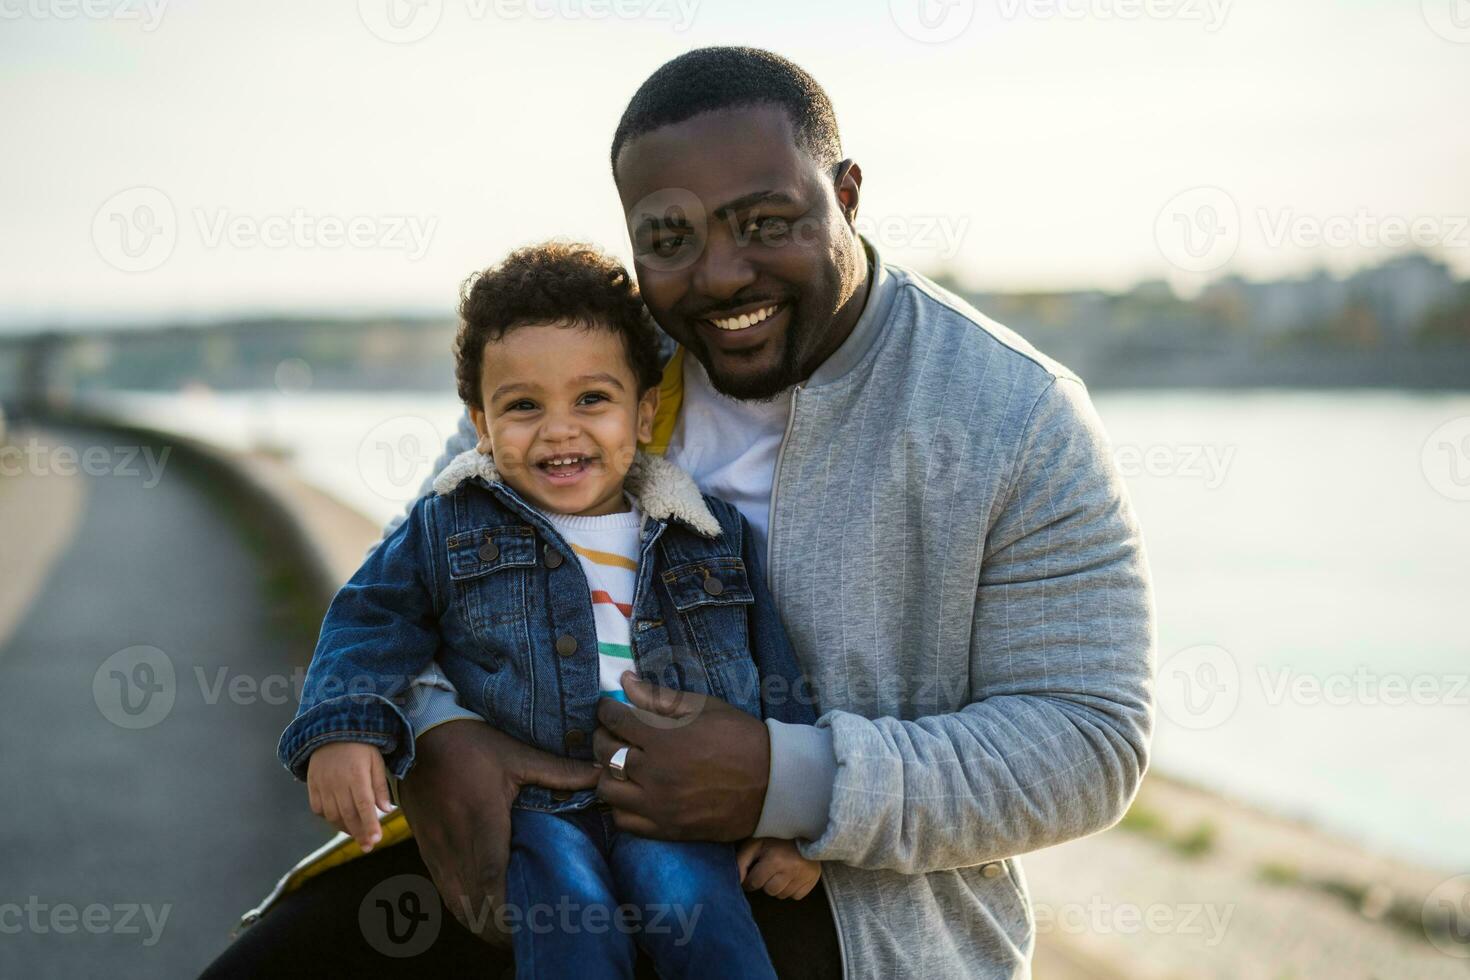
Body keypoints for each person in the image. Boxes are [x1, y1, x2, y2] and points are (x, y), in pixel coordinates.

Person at [205, 46, 1154, 980]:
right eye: (670, 237)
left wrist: (786, 784)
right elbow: (421, 564)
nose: (720, 276)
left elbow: (1087, 741)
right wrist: (441, 732)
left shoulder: (1012, 413)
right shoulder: (587, 360)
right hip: (536, 831)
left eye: (765, 221)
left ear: (849, 194)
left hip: (842, 898)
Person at [276, 242, 821, 980]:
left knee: (705, 926)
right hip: (533, 807)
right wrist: (342, 730)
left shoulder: (708, 531)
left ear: (643, 411)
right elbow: (372, 616)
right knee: (573, 930)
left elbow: (777, 672)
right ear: (480, 421)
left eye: (592, 400)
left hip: (673, 800)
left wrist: (796, 828)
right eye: (524, 406)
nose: (559, 430)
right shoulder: (451, 522)